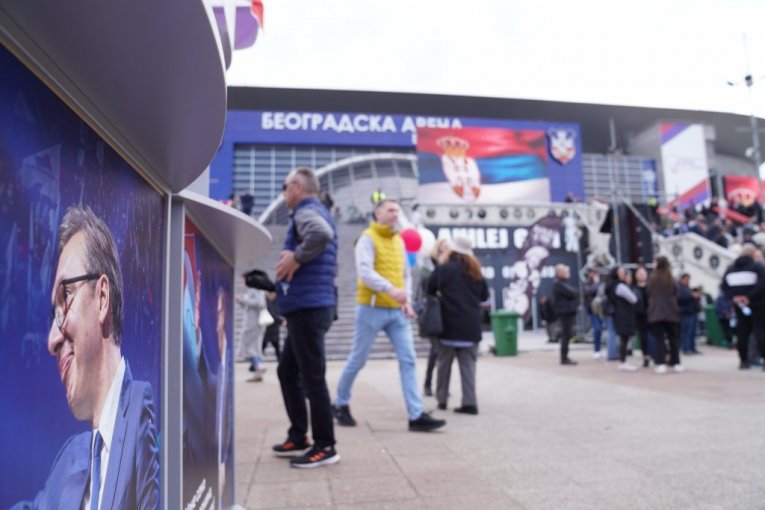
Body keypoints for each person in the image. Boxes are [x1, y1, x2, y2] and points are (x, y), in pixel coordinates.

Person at [14, 205, 159, 509]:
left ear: (102, 298)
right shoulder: (70, 456)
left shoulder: (138, 408)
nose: (51, 340)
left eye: (65, 296)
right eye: (53, 313)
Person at [333, 198, 446, 432]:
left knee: (408, 359)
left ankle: (416, 415)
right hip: (370, 309)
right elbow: (365, 272)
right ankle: (340, 402)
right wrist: (390, 289)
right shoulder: (366, 238)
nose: (395, 214)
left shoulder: (399, 241)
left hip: (397, 312)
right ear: (378, 213)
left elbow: (406, 274)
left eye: (397, 210)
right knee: (358, 359)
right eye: (390, 210)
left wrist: (406, 299)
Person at [272, 167, 340, 468]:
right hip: (307, 304)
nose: (284, 192)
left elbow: (321, 234)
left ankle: (325, 446)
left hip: (309, 308)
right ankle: (299, 435)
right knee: (288, 371)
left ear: (298, 186)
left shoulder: (306, 211)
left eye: (285, 186)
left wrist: (296, 257)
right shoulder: (315, 211)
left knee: (312, 378)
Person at [427, 236, 489, 414]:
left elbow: (429, 287)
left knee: (444, 364)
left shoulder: (444, 268)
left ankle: (442, 400)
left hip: (447, 325)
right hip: (470, 326)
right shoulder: (475, 271)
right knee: (468, 366)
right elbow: (484, 295)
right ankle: (470, 403)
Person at [720, 244, 765, 370]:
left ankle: (743, 361)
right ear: (753, 254)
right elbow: (762, 285)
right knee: (760, 332)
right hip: (757, 305)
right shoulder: (757, 267)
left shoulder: (731, 269)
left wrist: (735, 297)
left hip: (739, 306)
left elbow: (724, 286)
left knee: (742, 333)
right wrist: (748, 297)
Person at [419, 239, 450, 396]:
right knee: (436, 349)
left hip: (446, 310)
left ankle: (441, 386)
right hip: (432, 310)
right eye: (443, 247)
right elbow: (425, 285)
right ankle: (429, 383)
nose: (446, 250)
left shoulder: (450, 263)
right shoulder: (428, 263)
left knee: (443, 350)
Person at [647, 256, 683, 374]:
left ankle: (661, 363)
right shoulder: (671, 278)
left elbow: (648, 292)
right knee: (673, 339)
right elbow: (676, 292)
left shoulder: (653, 278)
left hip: (656, 312)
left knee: (659, 339)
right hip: (671, 312)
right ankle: (676, 363)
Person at [607, 266, 639, 371]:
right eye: (621, 272)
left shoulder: (611, 286)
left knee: (622, 338)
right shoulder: (620, 286)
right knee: (624, 339)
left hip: (617, 314)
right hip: (624, 315)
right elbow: (633, 299)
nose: (624, 274)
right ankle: (623, 361)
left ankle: (623, 361)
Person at [235, 276, 267, 381]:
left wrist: (244, 299)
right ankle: (258, 369)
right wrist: (241, 301)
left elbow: (260, 303)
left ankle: (258, 366)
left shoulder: (255, 289)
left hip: (253, 323)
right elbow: (249, 306)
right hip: (254, 322)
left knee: (248, 346)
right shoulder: (253, 290)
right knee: (253, 347)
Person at [552, 264, 579, 365]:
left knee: (567, 335)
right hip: (564, 313)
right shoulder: (558, 284)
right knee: (565, 335)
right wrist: (573, 293)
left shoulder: (564, 283)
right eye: (564, 270)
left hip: (568, 312)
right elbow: (571, 293)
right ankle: (564, 358)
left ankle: (565, 357)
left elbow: (574, 292)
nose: (566, 272)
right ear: (559, 272)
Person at [633, 266, 653, 367]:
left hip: (651, 314)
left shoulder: (651, 287)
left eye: (643, 273)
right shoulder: (634, 288)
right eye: (639, 273)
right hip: (640, 316)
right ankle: (646, 356)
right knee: (643, 337)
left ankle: (655, 354)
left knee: (653, 335)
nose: (641, 275)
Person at [677, 273, 702, 354]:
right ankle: (686, 348)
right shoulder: (679, 288)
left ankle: (692, 348)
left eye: (688, 279)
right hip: (686, 313)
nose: (687, 281)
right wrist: (692, 296)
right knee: (686, 332)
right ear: (682, 279)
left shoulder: (687, 288)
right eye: (686, 279)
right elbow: (680, 298)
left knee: (693, 332)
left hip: (693, 311)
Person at [583, 268, 603, 358]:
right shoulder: (587, 283)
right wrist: (596, 283)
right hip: (592, 310)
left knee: (600, 329)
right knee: (597, 329)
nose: (594, 275)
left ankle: (599, 349)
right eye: (592, 273)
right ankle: (596, 350)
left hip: (601, 309)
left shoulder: (600, 283)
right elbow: (589, 291)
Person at [261, 291, 282, 361]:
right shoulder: (267, 301)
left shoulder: (274, 300)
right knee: (265, 344)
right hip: (268, 325)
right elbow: (272, 312)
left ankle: (257, 362)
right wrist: (280, 321)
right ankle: (257, 362)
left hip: (273, 326)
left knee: (275, 345)